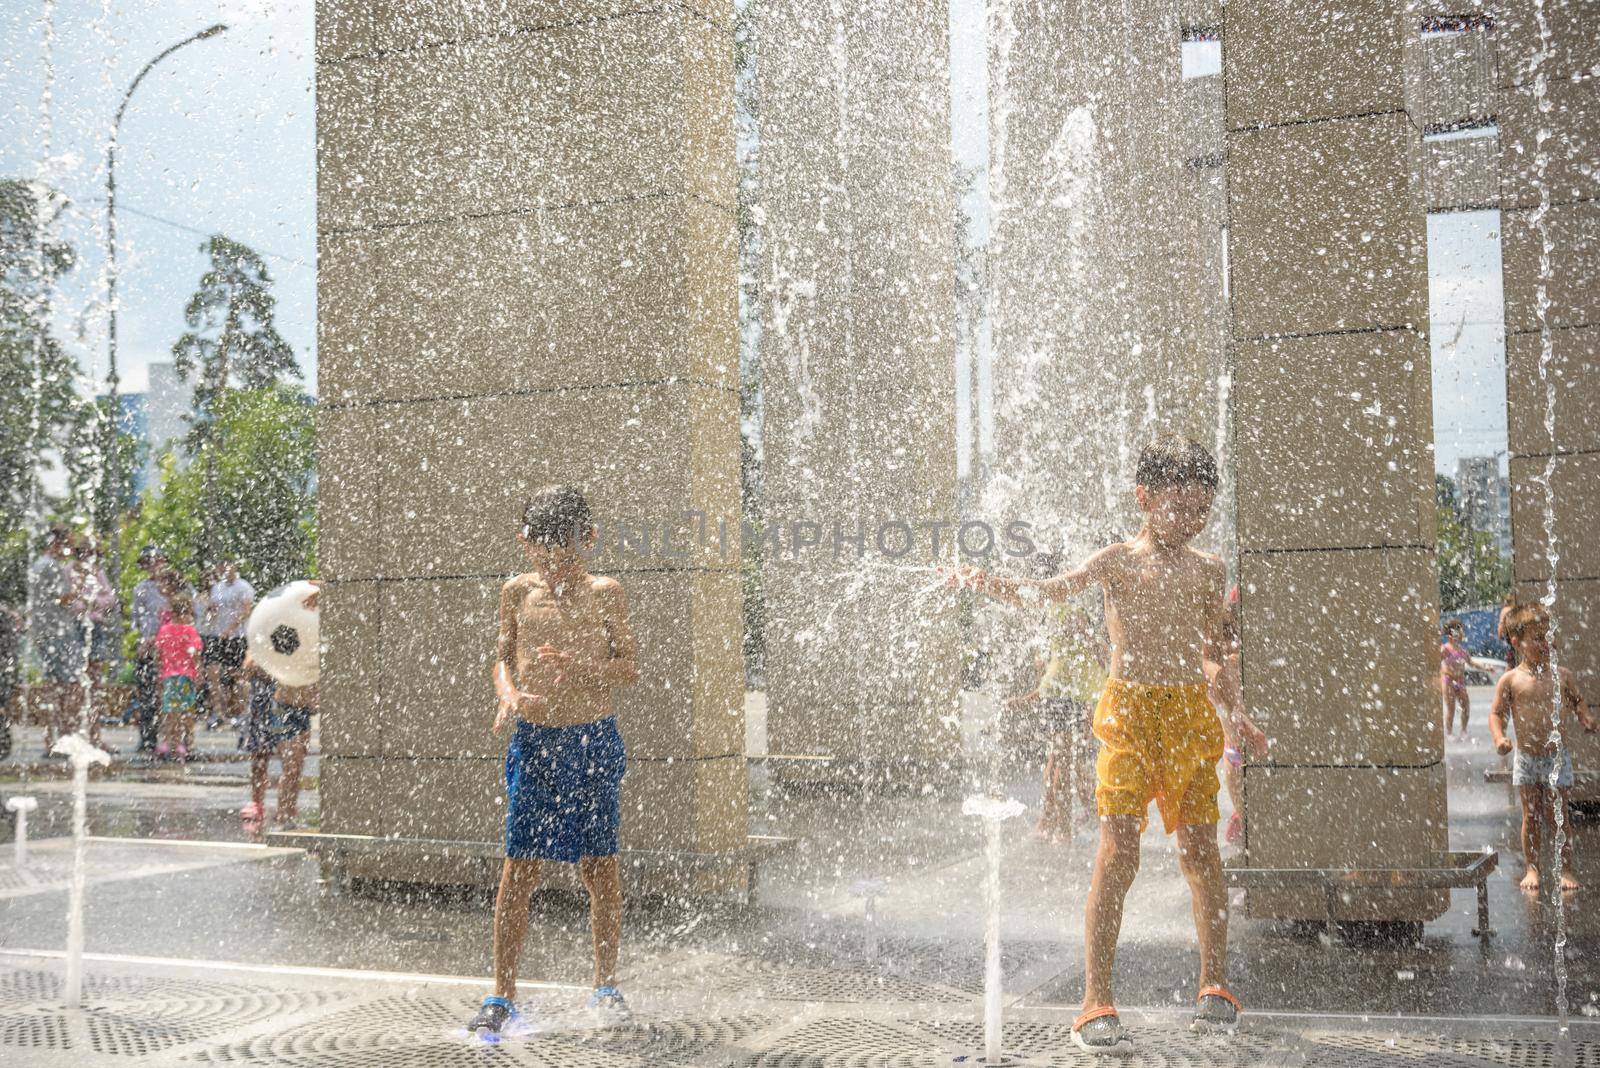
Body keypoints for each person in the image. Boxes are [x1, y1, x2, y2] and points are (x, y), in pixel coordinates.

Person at [945, 435, 1242, 1053]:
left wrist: (1238, 713)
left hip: (1187, 715)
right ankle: (1093, 1000)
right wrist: (989, 582)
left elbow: (1213, 654)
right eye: (1180, 506)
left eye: (1202, 510)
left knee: (1201, 853)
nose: (1191, 521)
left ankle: (1214, 983)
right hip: (1129, 714)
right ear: (1144, 498)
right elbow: (1050, 590)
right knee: (1119, 851)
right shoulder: (1115, 561)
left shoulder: (1211, 570)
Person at [467, 485, 640, 1040]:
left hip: (592, 741)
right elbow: (501, 657)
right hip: (535, 744)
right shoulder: (515, 592)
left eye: (565, 550)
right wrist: (509, 695)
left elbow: (628, 668)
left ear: (587, 541)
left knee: (599, 866)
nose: (554, 562)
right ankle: (500, 994)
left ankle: (606, 985)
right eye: (542, 551)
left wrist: (585, 666)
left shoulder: (606, 593)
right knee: (519, 868)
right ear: (525, 544)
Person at [1490, 601, 1595, 893]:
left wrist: (1586, 718)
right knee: (1531, 816)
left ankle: (1566, 868)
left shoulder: (1562, 675)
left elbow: (1577, 701)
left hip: (1556, 757)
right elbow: (1496, 713)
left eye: (1549, 636)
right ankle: (1533, 867)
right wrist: (1499, 738)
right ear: (1517, 642)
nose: (1546, 643)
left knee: (1558, 815)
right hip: (1526, 758)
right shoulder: (1511, 679)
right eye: (1538, 638)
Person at [1035, 594, 1109, 841]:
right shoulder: (1074, 613)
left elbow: (1040, 660)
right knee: (1065, 761)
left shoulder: (1051, 611)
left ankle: (1050, 820)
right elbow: (1098, 652)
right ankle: (1063, 827)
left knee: (1058, 758)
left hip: (1055, 690)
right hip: (1070, 694)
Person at [1206, 588, 1267, 846]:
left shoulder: (1248, 600)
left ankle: (1243, 814)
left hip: (1240, 699)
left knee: (1234, 751)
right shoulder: (1232, 611)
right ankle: (1242, 813)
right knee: (1233, 750)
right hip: (1233, 698)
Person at [27, 526, 88, 757]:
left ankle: (51, 741)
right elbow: (62, 598)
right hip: (58, 633)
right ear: (57, 544)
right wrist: (80, 587)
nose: (71, 550)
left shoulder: (38, 565)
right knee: (68, 687)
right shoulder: (51, 567)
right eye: (69, 544)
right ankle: (62, 739)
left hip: (46, 632)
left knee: (53, 688)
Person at [237, 651, 314, 828]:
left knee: (294, 765)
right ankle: (274, 810)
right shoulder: (266, 637)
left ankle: (288, 812)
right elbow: (248, 668)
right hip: (273, 705)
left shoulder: (303, 638)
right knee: (266, 757)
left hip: (299, 707)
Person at [129, 546, 170, 752]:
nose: (153, 565)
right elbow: (137, 619)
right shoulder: (140, 589)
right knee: (146, 693)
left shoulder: (176, 585)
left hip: (171, 646)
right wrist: (145, 640)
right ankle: (148, 737)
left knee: (169, 693)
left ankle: (172, 738)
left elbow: (190, 612)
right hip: (148, 646)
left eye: (156, 560)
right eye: (148, 562)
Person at [154, 594, 203, 761]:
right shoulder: (190, 630)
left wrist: (159, 674)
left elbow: (159, 654)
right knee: (186, 711)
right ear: (187, 612)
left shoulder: (164, 630)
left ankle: (168, 742)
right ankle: (187, 743)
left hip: (168, 677)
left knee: (169, 710)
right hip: (186, 677)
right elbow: (195, 654)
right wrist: (199, 672)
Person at [206, 561, 255, 730]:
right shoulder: (217, 588)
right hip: (217, 636)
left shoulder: (244, 587)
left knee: (239, 676)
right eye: (223, 566)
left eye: (229, 566)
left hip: (237, 637)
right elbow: (212, 610)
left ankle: (243, 714)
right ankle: (218, 714)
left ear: (235, 567)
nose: (226, 569)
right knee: (214, 674)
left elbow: (246, 611)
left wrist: (229, 629)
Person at [1441, 618, 1490, 741]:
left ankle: (1463, 731)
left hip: (1460, 682)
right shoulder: (1445, 649)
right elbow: (1436, 663)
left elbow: (1471, 662)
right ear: (1452, 633)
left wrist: (1485, 667)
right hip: (1448, 682)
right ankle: (1449, 733)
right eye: (1460, 630)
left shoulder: (1462, 650)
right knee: (1451, 708)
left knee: (1466, 707)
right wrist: (1442, 674)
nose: (1463, 633)